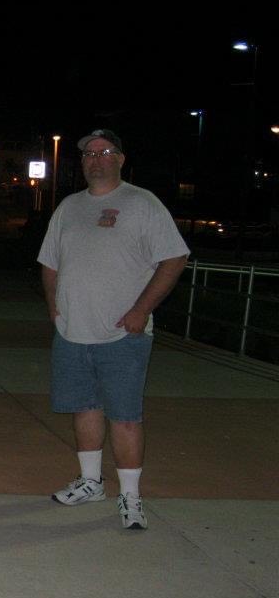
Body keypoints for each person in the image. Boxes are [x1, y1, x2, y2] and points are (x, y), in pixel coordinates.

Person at [37, 129, 189, 530]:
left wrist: (142, 309)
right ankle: (90, 483)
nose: (95, 158)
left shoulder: (142, 203)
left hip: (124, 334)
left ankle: (131, 497)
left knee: (124, 416)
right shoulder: (69, 207)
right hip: (72, 331)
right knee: (84, 408)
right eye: (88, 153)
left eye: (104, 152)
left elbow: (174, 259)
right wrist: (54, 308)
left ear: (120, 159)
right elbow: (49, 263)